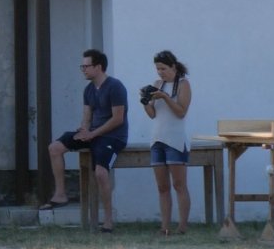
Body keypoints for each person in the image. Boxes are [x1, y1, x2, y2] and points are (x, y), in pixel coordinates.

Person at [48, 49, 128, 234]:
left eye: (86, 66)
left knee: (100, 173)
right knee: (55, 147)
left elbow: (118, 119)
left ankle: (108, 221)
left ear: (98, 67)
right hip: (94, 134)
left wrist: (93, 134)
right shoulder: (89, 89)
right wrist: (84, 129)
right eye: (82, 66)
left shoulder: (115, 86)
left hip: (112, 137)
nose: (83, 69)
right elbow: (87, 115)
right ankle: (60, 194)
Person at [142, 49, 193, 236]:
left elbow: (181, 112)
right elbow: (153, 114)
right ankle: (164, 227)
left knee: (179, 185)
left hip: (175, 140)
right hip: (157, 139)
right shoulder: (158, 84)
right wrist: (145, 101)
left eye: (163, 68)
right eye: (157, 69)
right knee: (162, 187)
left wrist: (164, 97)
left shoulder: (183, 84)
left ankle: (182, 226)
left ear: (173, 66)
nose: (160, 72)